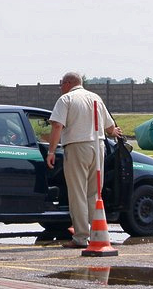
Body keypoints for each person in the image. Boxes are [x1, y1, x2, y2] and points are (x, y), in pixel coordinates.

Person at [46, 72, 122, 248]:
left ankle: (81, 237)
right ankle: (98, 234)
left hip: (76, 147)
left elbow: (57, 125)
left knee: (77, 193)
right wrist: (115, 133)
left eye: (61, 84)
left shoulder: (66, 100)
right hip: (98, 146)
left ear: (69, 83)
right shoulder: (95, 98)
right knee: (94, 194)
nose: (60, 88)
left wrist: (51, 151)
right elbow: (110, 127)